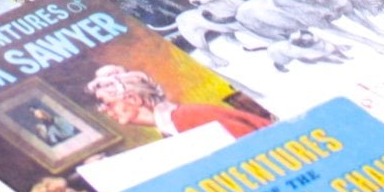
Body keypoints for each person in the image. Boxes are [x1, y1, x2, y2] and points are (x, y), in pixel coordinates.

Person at [84, 64, 268, 138]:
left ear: (133, 98)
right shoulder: (171, 126)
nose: (105, 111)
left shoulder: (186, 118)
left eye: (107, 104)